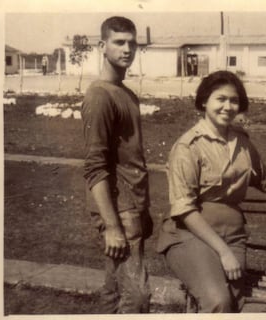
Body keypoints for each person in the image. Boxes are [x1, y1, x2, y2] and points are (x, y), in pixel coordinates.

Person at [156, 70, 266, 313]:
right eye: (221, 99)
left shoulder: (242, 143)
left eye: (234, 100)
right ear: (204, 101)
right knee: (217, 301)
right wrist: (224, 252)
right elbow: (184, 209)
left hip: (233, 236)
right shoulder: (188, 147)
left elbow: (265, 177)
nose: (228, 106)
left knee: (236, 304)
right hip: (191, 237)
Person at [81, 16, 152, 314]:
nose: (127, 50)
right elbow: (95, 167)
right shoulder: (99, 96)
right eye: (119, 42)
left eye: (132, 43)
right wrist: (111, 225)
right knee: (136, 299)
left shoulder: (126, 93)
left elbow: (129, 156)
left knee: (114, 294)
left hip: (133, 207)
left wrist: (142, 208)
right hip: (118, 210)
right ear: (102, 46)